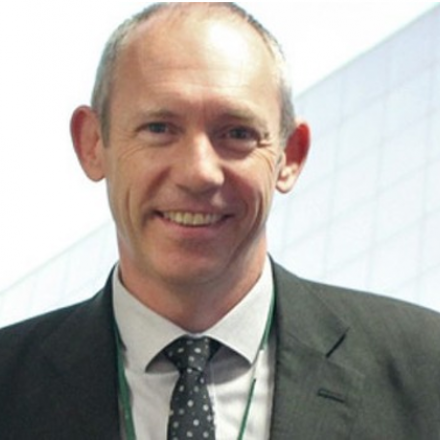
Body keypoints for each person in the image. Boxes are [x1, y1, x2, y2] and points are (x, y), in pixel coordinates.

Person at [1, 2, 440, 439]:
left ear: (289, 156)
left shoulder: (425, 369)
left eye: (237, 133)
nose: (199, 172)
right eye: (159, 128)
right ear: (93, 144)